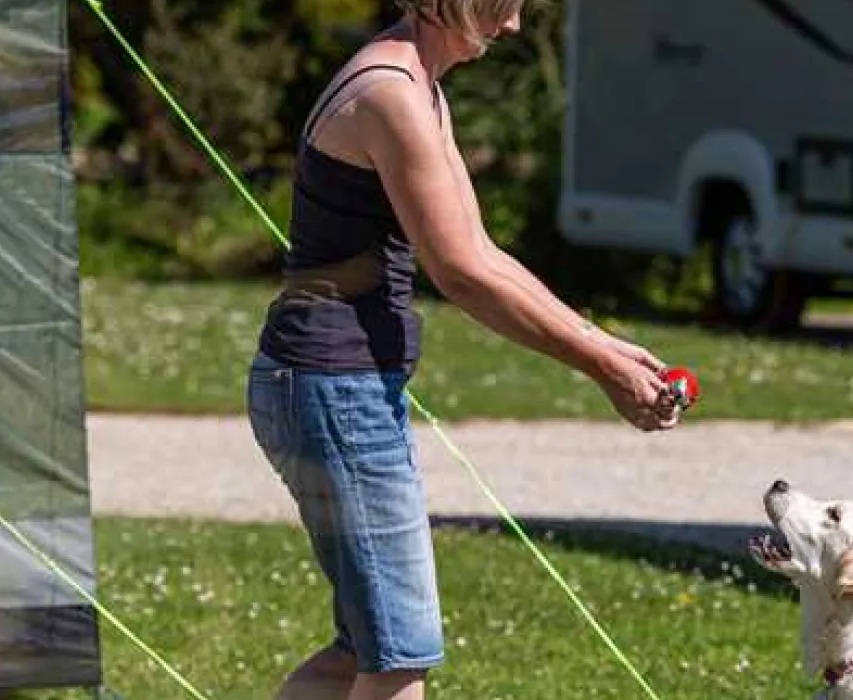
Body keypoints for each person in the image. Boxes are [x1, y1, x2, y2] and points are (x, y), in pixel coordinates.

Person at [244, 1, 680, 698]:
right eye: (499, 7)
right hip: (335, 389)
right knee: (397, 659)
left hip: (330, 386)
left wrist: (608, 347)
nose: (511, 27)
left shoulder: (419, 86)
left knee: (363, 651)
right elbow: (461, 274)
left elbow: (483, 250)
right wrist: (597, 367)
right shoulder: (390, 94)